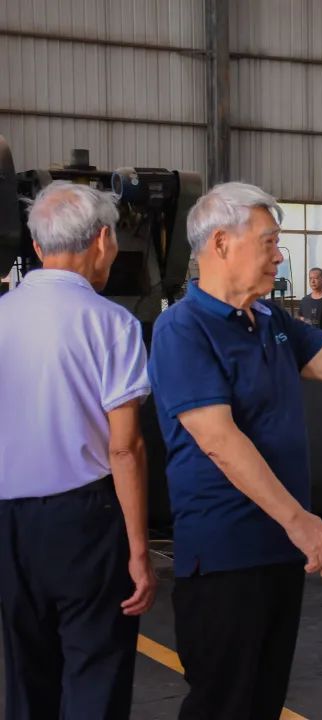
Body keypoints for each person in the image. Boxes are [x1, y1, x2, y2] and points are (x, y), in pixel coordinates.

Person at [148, 182, 322, 719]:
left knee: (263, 702)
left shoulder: (270, 320)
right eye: (268, 241)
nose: (279, 255)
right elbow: (219, 440)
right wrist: (300, 521)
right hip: (225, 555)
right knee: (223, 704)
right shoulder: (183, 329)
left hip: (278, 552)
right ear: (221, 243)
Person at [0, 182, 157, 719]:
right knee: (96, 674)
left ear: (37, 247)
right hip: (84, 523)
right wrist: (139, 551)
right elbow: (125, 449)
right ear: (104, 241)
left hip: (9, 525)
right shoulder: (111, 324)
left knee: (26, 676)